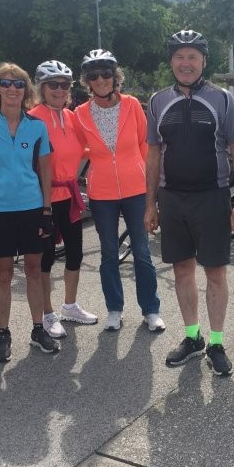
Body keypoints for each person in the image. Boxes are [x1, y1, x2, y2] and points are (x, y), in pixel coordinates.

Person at [144, 29, 234, 376]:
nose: (185, 63)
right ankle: (193, 337)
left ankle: (217, 342)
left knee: (215, 272)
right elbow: (153, 154)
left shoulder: (222, 99)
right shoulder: (158, 101)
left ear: (204, 61)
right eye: (179, 56)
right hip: (172, 198)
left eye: (192, 56)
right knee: (181, 270)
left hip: (212, 196)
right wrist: (150, 204)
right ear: (171, 62)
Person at [0, 62, 59, 361]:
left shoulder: (37, 126)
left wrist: (47, 210)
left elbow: (46, 170)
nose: (12, 89)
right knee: (3, 273)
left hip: (32, 208)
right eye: (5, 83)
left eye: (18, 84)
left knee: (34, 270)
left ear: (26, 90)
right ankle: (3, 333)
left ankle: (38, 328)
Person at [72, 49, 164, 332]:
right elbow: (77, 148)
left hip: (136, 188)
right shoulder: (80, 114)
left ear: (115, 77)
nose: (101, 80)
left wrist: (151, 187)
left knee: (142, 251)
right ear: (87, 81)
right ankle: (114, 309)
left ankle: (151, 309)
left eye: (106, 74)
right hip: (102, 193)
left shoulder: (132, 105)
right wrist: (98, 159)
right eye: (94, 75)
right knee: (109, 253)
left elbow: (145, 145)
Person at [28, 60, 98, 338]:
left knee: (75, 253)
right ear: (42, 88)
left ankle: (69, 306)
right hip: (42, 198)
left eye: (65, 85)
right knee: (45, 259)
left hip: (69, 195)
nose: (60, 90)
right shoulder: (32, 118)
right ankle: (47, 314)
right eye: (53, 85)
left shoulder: (72, 117)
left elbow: (88, 149)